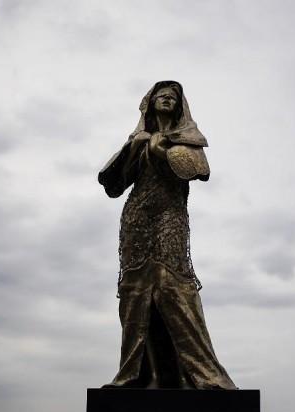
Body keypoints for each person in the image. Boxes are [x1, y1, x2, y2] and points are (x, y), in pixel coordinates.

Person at [98, 81, 236, 390]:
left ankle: (199, 375)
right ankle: (137, 376)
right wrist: (135, 147)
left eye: (172, 98)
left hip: (170, 217)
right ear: (149, 103)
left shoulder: (186, 140)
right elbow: (113, 185)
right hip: (137, 217)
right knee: (135, 290)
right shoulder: (139, 139)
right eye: (161, 96)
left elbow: (198, 170)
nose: (166, 100)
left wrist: (163, 153)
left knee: (174, 287)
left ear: (179, 106)